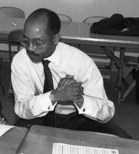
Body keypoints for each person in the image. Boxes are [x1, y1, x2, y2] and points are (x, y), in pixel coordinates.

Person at [11, 8, 131, 138]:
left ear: (55, 39)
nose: (30, 48)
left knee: (126, 145)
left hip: (77, 117)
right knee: (15, 144)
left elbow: (107, 111)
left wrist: (79, 98)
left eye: (38, 43)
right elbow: (21, 108)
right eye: (26, 40)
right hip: (40, 114)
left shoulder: (80, 62)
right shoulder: (21, 60)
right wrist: (54, 96)